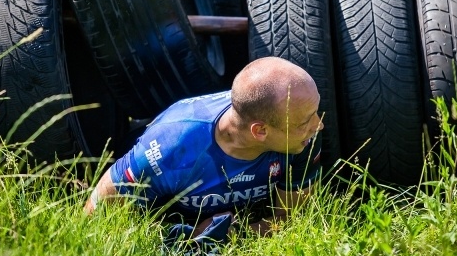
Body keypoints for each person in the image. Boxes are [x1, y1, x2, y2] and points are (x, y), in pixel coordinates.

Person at [84, 56, 324, 241]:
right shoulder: (169, 149)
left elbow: (291, 216)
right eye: (306, 122)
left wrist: (230, 234)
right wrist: (178, 236)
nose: (319, 125)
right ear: (260, 131)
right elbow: (94, 218)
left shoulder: (301, 136)